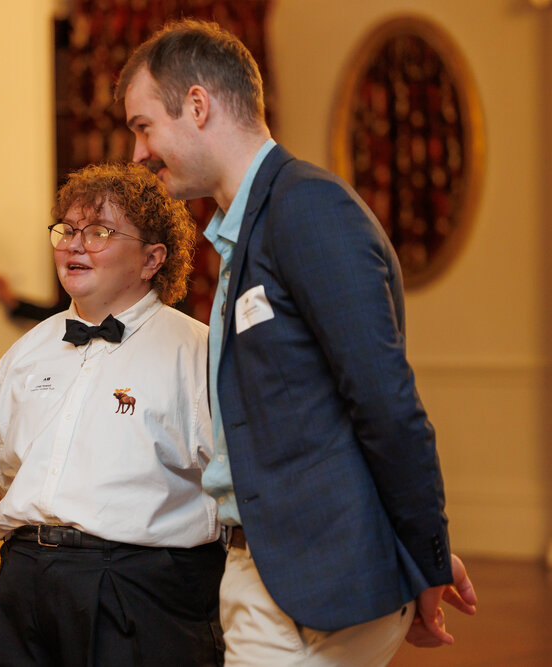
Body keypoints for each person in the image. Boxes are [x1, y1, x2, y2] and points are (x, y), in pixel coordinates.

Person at [116, 20, 477, 665]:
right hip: (272, 572)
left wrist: (423, 556)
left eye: (144, 127)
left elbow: (386, 403)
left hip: (309, 582)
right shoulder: (244, 230)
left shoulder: (307, 209)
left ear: (197, 106)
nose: (138, 152)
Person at [0, 162, 224, 666]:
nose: (73, 244)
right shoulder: (24, 354)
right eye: (67, 230)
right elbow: (6, 470)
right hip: (24, 581)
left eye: (99, 232)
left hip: (143, 588)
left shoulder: (196, 353)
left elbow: (229, 480)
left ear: (152, 258)